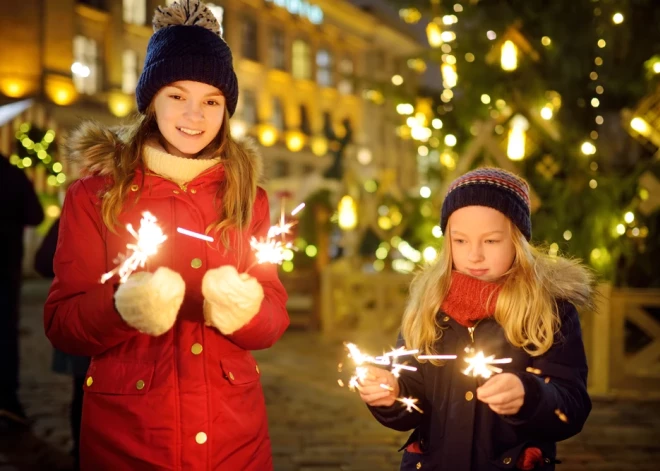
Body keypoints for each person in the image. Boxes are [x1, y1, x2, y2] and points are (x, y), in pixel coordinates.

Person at [43, 1, 289, 469]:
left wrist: (248, 309)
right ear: (151, 99)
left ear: (226, 109)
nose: (194, 115)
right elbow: (62, 324)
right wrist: (121, 305)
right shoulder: (94, 196)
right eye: (177, 95)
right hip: (130, 435)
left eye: (211, 101)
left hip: (232, 437)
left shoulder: (247, 198)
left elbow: (274, 318)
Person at [358, 168, 594, 471]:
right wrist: (392, 394)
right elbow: (412, 396)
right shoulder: (428, 303)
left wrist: (530, 396)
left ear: (517, 239)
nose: (474, 255)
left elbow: (572, 406)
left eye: (491, 241)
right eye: (460, 241)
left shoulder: (548, 310)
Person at [34, 184, 90, 470]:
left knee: (81, 391)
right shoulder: (83, 201)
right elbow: (43, 262)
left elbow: (41, 263)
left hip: (90, 321)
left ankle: (80, 452)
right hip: (84, 316)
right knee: (85, 392)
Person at [0, 153, 44, 427]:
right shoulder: (13, 174)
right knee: (4, 333)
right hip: (5, 267)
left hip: (7, 269)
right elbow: (35, 215)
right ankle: (7, 400)